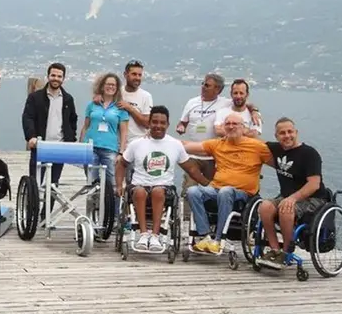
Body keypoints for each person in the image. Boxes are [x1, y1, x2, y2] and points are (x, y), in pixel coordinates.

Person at [115, 105, 210, 250]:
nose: (158, 126)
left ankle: (155, 235)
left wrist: (206, 184)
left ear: (167, 124)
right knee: (140, 192)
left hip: (163, 187)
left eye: (162, 123)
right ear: (149, 123)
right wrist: (118, 185)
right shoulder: (137, 144)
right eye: (154, 122)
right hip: (139, 185)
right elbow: (122, 164)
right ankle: (144, 234)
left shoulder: (175, 144)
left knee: (158, 191)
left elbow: (190, 167)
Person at [181, 112, 272, 254]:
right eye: (227, 124)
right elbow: (188, 146)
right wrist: (161, 140)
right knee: (192, 191)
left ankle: (218, 239)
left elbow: (278, 162)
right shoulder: (218, 144)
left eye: (235, 124)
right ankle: (205, 236)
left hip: (243, 194)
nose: (231, 126)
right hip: (216, 189)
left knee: (225, 191)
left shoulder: (257, 147)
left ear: (243, 127)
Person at [175, 73, 261, 222]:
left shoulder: (225, 103)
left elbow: (243, 102)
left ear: (218, 89)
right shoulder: (191, 102)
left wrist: (254, 111)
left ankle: (212, 222)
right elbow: (183, 122)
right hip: (193, 154)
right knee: (189, 188)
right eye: (203, 83)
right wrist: (181, 126)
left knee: (211, 191)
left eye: (207, 85)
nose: (203, 87)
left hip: (214, 157)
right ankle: (187, 223)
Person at [257, 117, 330, 268]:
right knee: (264, 206)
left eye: (290, 132)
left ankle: (286, 252)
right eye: (282, 133)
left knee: (286, 207)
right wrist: (252, 109)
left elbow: (314, 184)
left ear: (296, 133)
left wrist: (292, 198)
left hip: (313, 198)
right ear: (276, 136)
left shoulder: (309, 154)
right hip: (286, 196)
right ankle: (275, 249)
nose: (287, 135)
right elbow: (253, 139)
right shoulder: (276, 149)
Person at [93, 60, 153, 185]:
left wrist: (129, 108)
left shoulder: (145, 96)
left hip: (137, 146)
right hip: (115, 146)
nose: (137, 78)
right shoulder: (117, 91)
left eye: (139, 75)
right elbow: (101, 101)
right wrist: (97, 96)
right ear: (125, 74)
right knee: (114, 183)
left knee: (134, 184)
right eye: (134, 74)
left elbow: (147, 123)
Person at [21, 62, 78, 192]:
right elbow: (27, 117)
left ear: (63, 78)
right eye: (53, 75)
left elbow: (72, 120)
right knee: (34, 185)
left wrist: (71, 139)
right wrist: (31, 137)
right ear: (48, 76)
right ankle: (32, 212)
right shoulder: (35, 97)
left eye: (59, 76)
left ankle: (45, 213)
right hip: (40, 146)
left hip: (59, 147)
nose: (56, 79)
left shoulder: (68, 99)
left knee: (53, 186)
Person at [80, 72, 129, 215]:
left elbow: (124, 132)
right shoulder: (92, 105)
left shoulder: (120, 108)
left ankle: (113, 217)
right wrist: (81, 145)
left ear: (117, 88)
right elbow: (86, 126)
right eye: (108, 84)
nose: (110, 87)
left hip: (110, 149)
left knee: (113, 184)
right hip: (91, 147)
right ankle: (92, 216)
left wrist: (121, 152)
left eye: (113, 85)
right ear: (102, 86)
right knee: (92, 184)